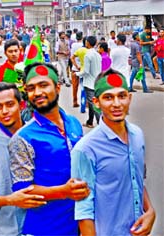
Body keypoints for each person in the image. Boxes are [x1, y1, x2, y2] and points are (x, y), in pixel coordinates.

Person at [71, 69, 156, 235]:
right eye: (108, 97)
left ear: (129, 98)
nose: (117, 104)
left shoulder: (137, 135)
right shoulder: (85, 149)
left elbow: (136, 180)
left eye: (122, 96)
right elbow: (84, 210)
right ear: (96, 102)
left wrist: (150, 211)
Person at [9, 62, 90, 235]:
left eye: (43, 85)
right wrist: (64, 191)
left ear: (58, 87)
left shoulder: (73, 124)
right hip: (43, 228)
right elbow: (24, 193)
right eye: (31, 88)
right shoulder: (23, 138)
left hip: (77, 225)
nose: (37, 92)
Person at [0, 82, 47, 235]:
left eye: (10, 104)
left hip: (41, 225)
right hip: (7, 230)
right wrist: (11, 199)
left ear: (21, 105)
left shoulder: (38, 134)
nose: (5, 111)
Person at [77, 36, 101, 128]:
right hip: (96, 81)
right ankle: (90, 121)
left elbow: (86, 71)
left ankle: (100, 123)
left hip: (89, 82)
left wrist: (77, 74)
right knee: (92, 103)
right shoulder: (97, 55)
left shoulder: (88, 55)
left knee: (93, 104)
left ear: (88, 43)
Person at [70, 32, 85, 108]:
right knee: (85, 86)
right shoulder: (84, 45)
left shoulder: (73, 45)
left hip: (75, 68)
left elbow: (72, 57)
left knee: (75, 86)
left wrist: (76, 66)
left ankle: (75, 101)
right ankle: (86, 102)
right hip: (83, 67)